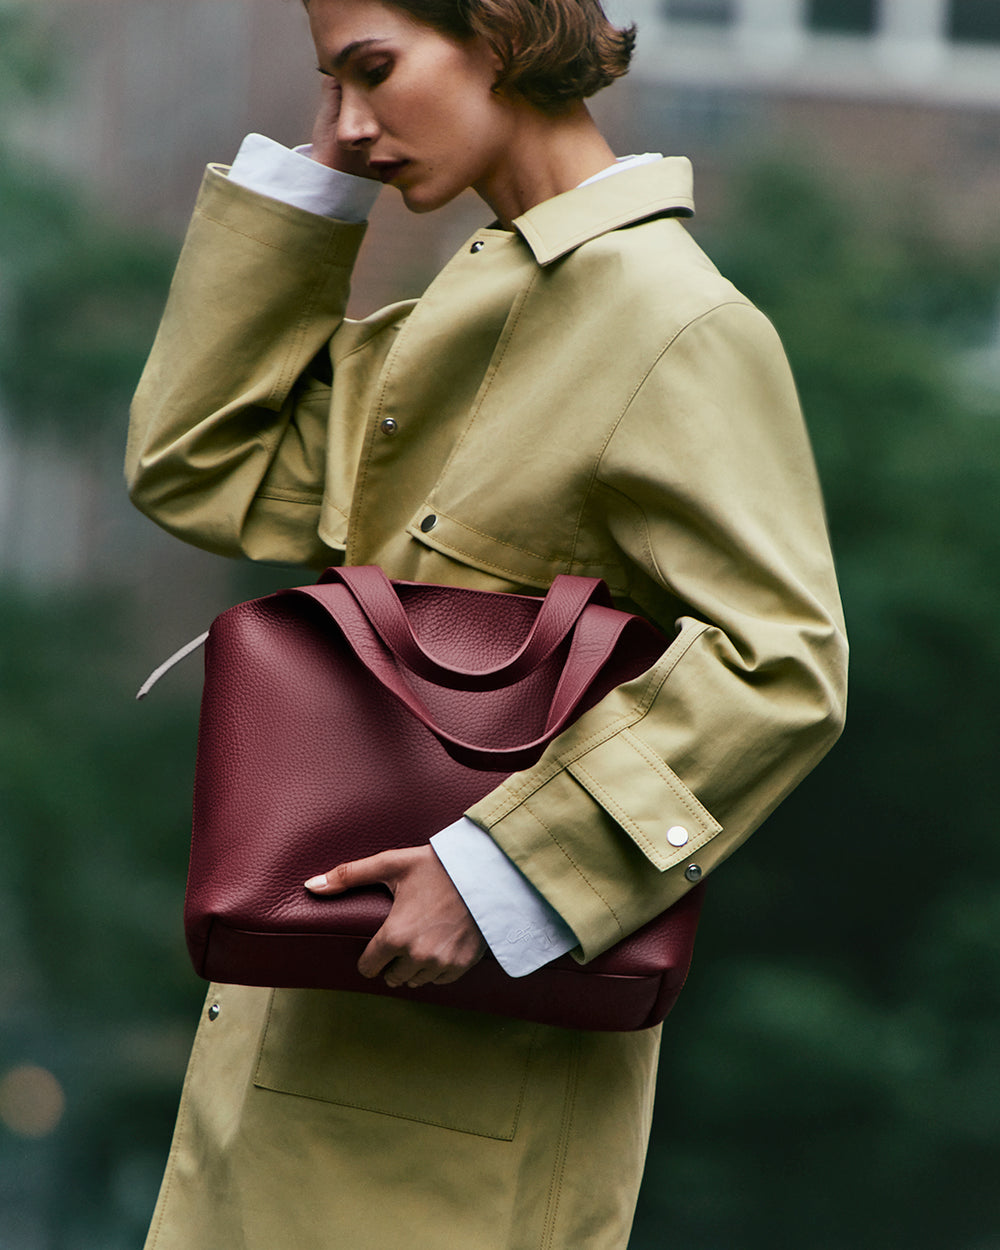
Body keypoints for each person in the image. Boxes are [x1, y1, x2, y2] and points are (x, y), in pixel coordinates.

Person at [126, 0, 848, 1246]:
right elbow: (204, 461)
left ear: (502, 30)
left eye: (374, 69)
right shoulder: (478, 309)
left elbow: (782, 665)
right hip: (298, 1045)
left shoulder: (669, 319)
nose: (352, 120)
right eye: (329, 83)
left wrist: (503, 868)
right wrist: (316, 188)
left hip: (464, 1098)